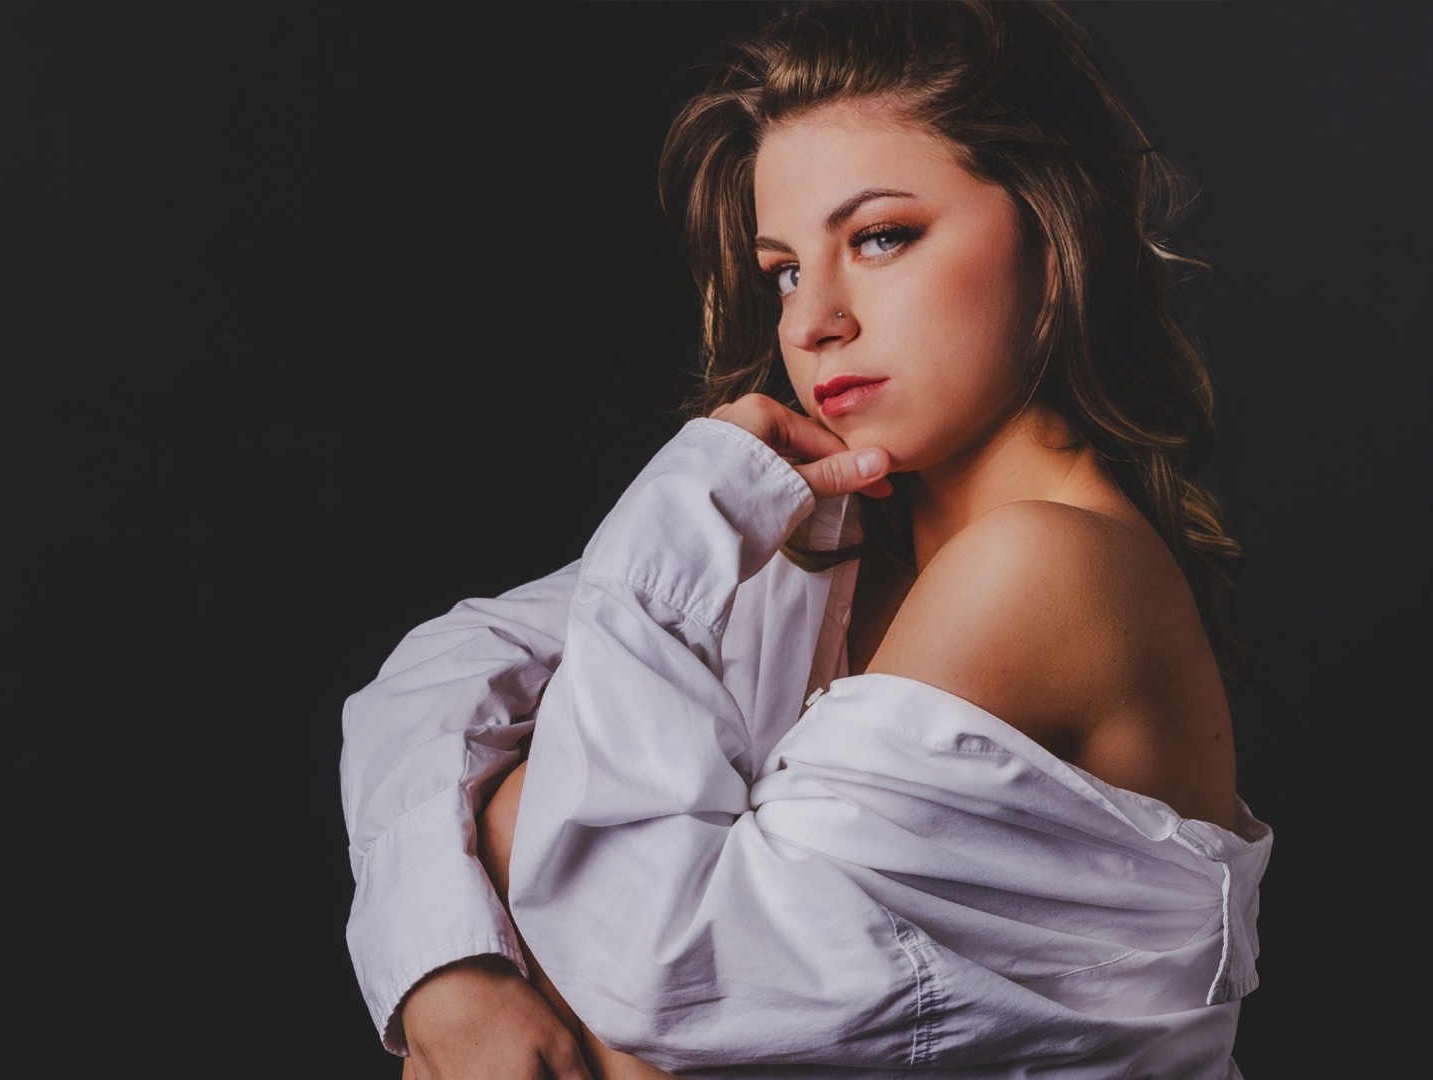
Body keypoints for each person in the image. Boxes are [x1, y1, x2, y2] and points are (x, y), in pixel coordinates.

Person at [340, 2, 1272, 1077]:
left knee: (515, 806)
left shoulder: (1043, 563)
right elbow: (431, 682)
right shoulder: (830, 540)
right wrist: (449, 972)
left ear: (1057, 239)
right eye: (783, 268)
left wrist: (501, 827)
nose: (810, 319)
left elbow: (662, 974)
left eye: (880, 237)